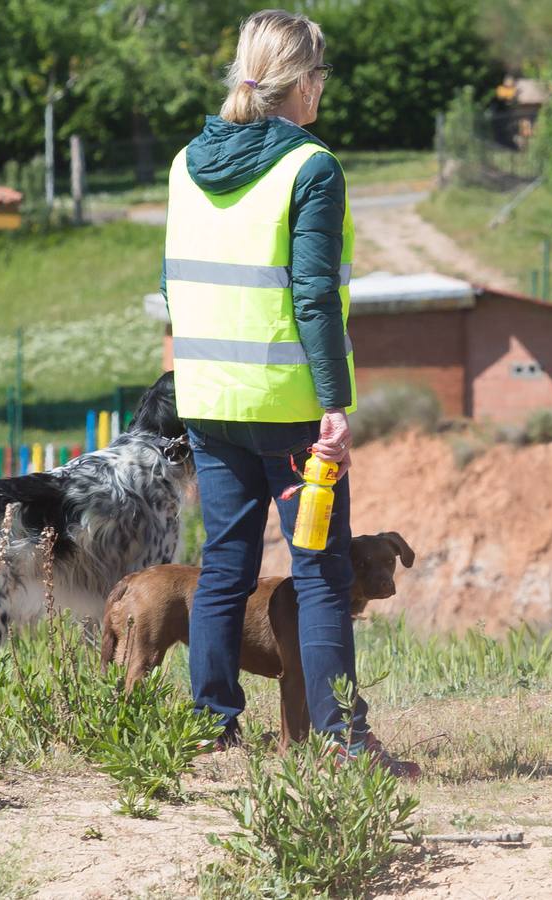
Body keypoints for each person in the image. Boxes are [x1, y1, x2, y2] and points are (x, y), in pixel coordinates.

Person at [160, 8, 416, 777]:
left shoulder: (184, 163)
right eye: (322, 78)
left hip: (207, 400)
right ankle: (342, 742)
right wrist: (334, 405)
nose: (323, 92)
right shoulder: (312, 167)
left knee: (225, 565)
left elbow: (174, 285)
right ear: (304, 81)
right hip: (291, 408)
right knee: (321, 569)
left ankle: (211, 730)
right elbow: (311, 294)